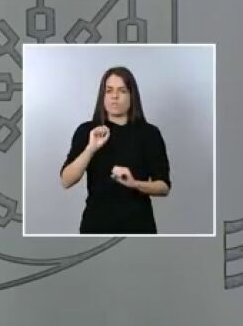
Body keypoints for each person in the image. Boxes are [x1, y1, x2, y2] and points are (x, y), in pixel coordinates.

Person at [59, 66, 171, 234]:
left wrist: (135, 184)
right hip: (96, 226)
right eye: (109, 90)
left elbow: (164, 186)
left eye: (122, 91)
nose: (114, 96)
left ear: (132, 95)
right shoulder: (87, 130)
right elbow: (66, 181)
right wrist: (90, 149)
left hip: (139, 225)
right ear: (102, 95)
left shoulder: (149, 134)